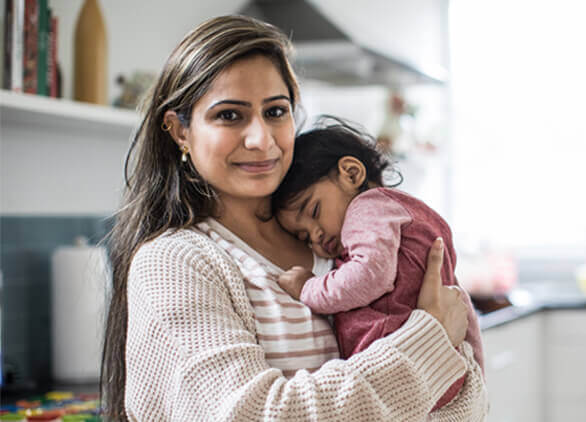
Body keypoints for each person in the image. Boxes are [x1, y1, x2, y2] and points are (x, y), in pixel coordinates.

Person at [100, 14, 487, 422]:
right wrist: (431, 342)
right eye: (230, 115)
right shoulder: (174, 263)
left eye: (276, 112)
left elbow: (467, 402)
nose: (261, 139)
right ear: (179, 131)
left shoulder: (336, 240)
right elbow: (254, 415)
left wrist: (440, 354)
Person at [271, 119, 484, 410]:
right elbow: (461, 304)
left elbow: (370, 276)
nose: (316, 236)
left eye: (315, 210)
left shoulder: (367, 208)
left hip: (402, 370)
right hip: (435, 370)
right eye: (303, 236)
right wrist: (475, 373)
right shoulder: (401, 215)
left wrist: (308, 287)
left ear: (351, 173)